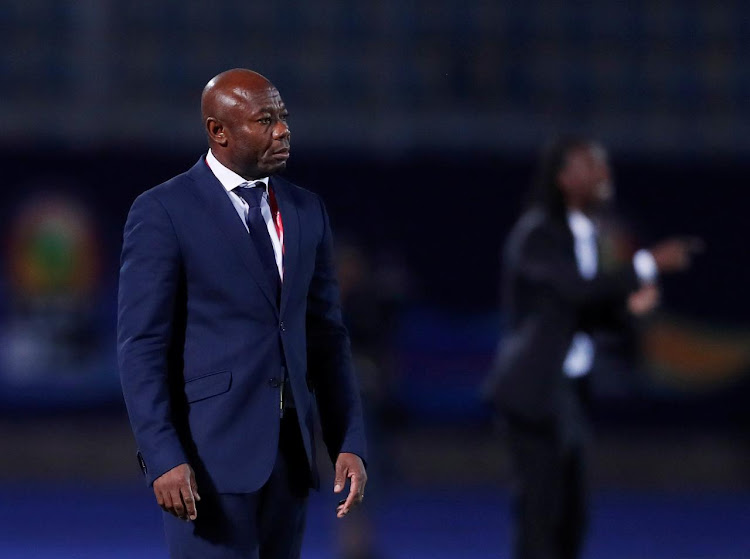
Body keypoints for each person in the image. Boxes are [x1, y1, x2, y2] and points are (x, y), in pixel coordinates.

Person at [117, 68, 367, 559]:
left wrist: (348, 440)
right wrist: (163, 455)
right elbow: (141, 346)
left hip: (289, 461)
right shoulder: (163, 211)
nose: (283, 131)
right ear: (219, 131)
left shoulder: (306, 210)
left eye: (284, 118)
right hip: (205, 460)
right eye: (265, 119)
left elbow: (326, 338)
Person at [482, 136, 700, 559]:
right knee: (540, 514)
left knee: (573, 516)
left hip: (569, 391)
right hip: (533, 391)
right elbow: (574, 292)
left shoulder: (588, 235)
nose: (602, 174)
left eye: (603, 165)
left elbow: (585, 314)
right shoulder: (537, 234)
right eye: (589, 166)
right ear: (563, 178)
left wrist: (628, 310)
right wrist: (647, 264)